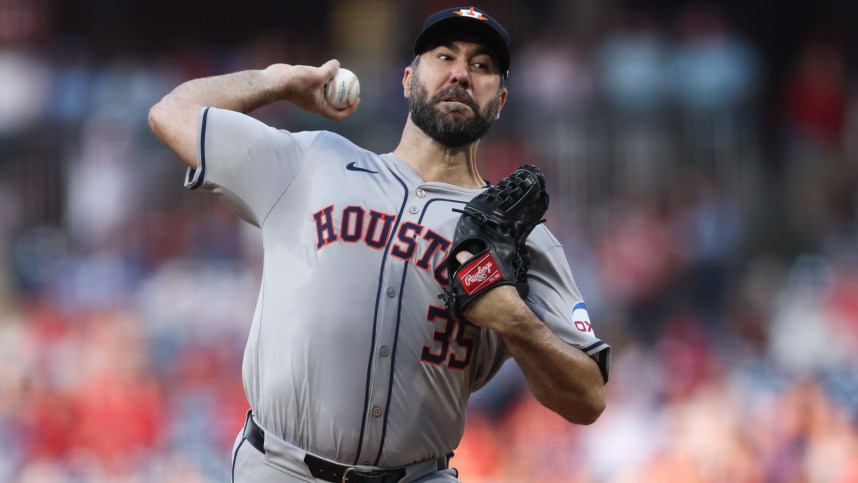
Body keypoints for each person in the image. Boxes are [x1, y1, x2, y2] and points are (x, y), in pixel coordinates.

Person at [148, 6, 610, 483]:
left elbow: (588, 398)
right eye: (444, 55)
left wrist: (515, 320)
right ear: (408, 79)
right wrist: (278, 81)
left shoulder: (519, 234)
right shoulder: (314, 161)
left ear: (501, 98)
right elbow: (171, 114)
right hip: (279, 469)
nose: (460, 73)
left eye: (481, 65)